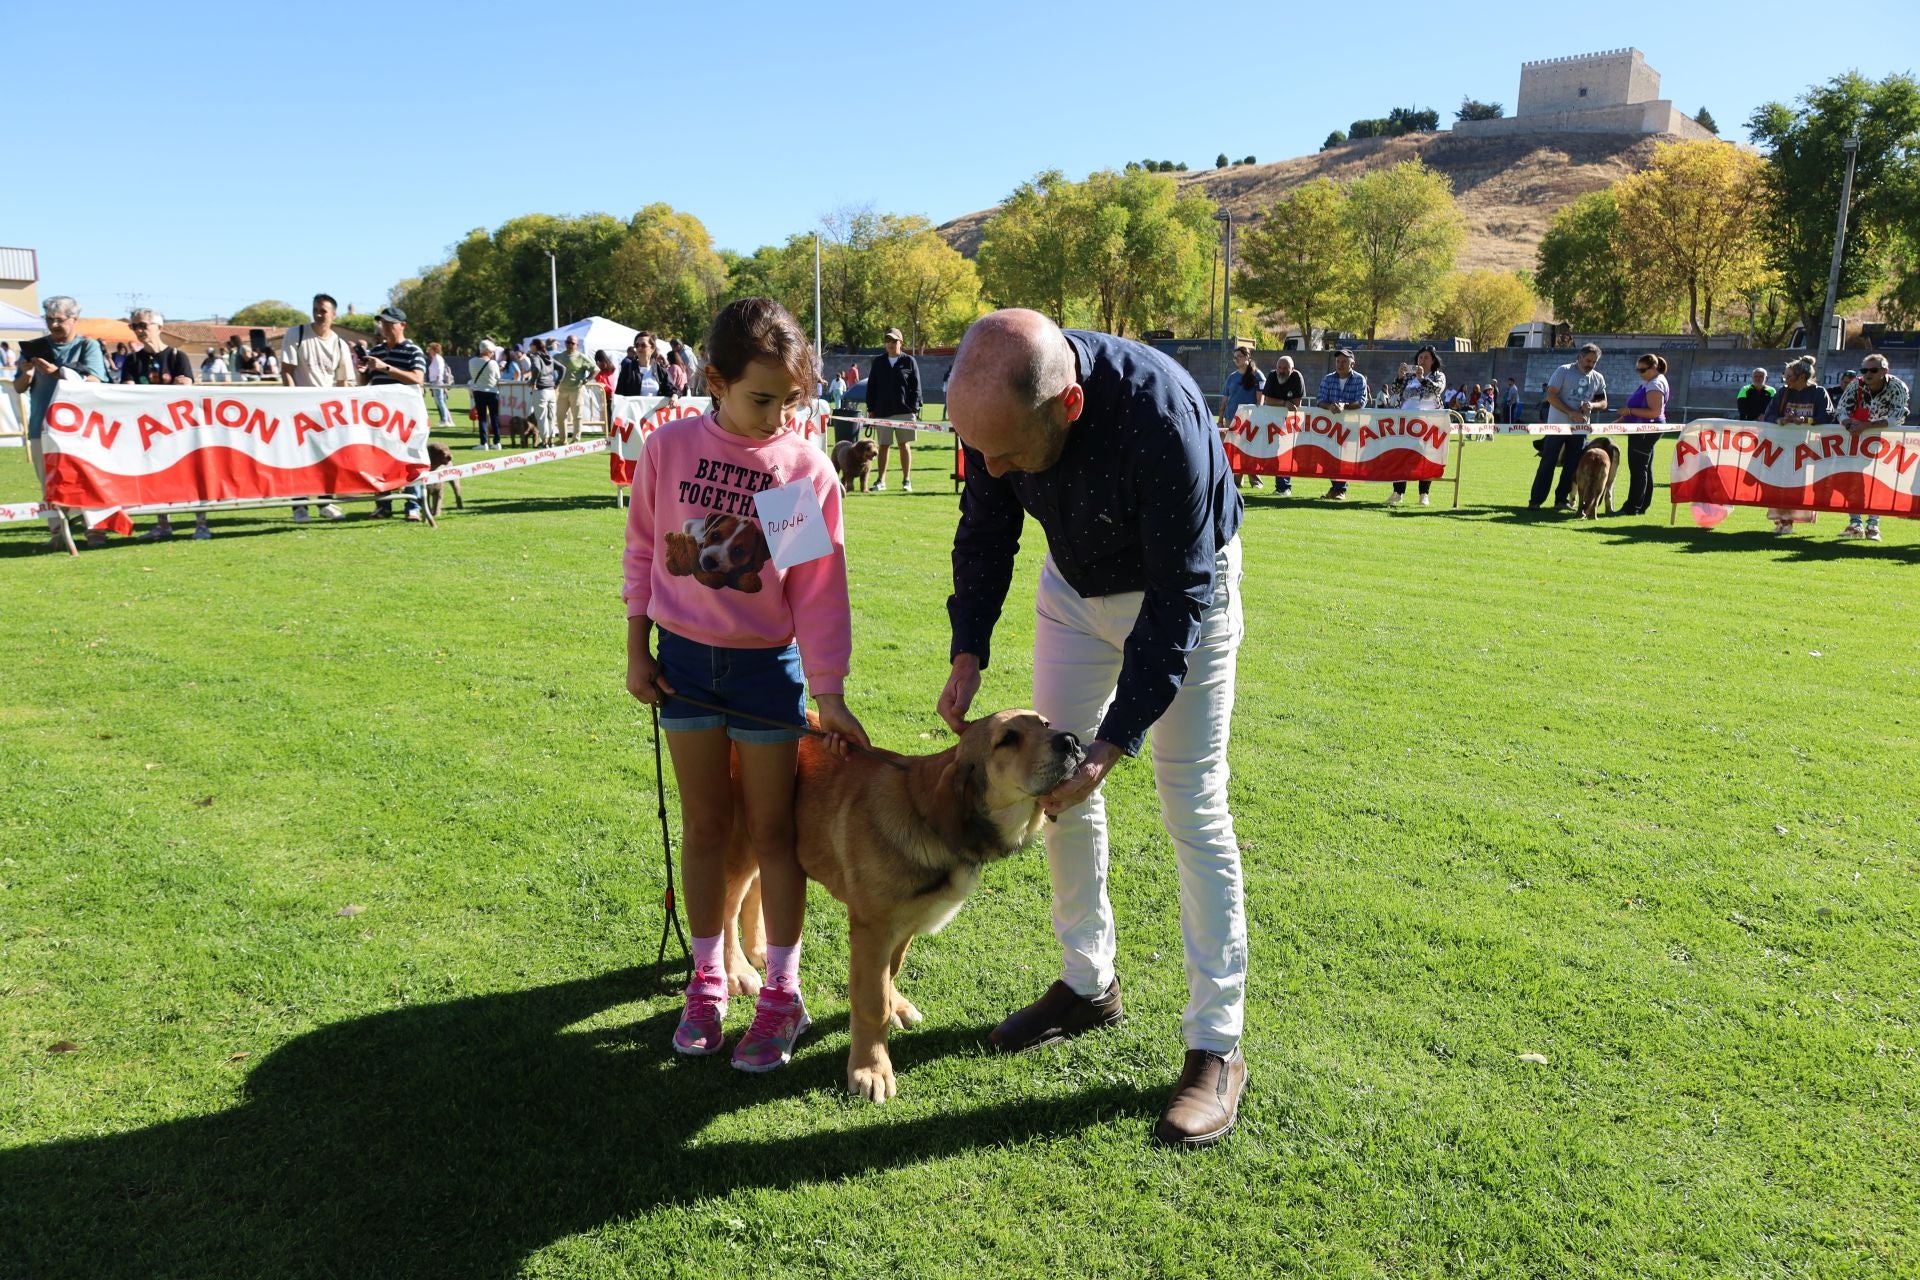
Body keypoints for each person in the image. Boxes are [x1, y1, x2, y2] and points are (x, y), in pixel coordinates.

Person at [941, 308, 1249, 1148]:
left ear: (1067, 406)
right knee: (1053, 788)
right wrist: (969, 645)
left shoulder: (1164, 418)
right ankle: (1088, 982)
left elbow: (1180, 595)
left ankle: (1216, 1045)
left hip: (1180, 595)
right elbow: (987, 526)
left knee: (1192, 804)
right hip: (1074, 591)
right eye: (980, 448)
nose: (992, 466)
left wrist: (1114, 745)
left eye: (1006, 451)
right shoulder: (997, 419)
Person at [623, 296, 869, 1072]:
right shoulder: (669, 449)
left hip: (767, 674)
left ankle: (782, 995)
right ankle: (705, 982)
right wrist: (638, 647)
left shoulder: (800, 468)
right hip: (685, 665)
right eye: (763, 398)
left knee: (772, 836)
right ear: (715, 380)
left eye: (791, 400)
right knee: (704, 828)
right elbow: (641, 554)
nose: (778, 417)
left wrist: (827, 693)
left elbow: (815, 590)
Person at [12, 296, 108, 550]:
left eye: (60, 320)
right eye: (49, 319)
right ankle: (58, 533)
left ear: (74, 320)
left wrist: (56, 373)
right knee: (49, 482)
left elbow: (95, 382)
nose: (54, 325)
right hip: (40, 426)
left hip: (79, 427)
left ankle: (94, 530)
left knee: (85, 477)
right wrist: (28, 373)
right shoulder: (34, 347)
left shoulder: (88, 346)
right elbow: (19, 387)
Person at [123, 309, 212, 542]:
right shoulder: (132, 360)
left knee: (192, 475)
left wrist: (187, 383)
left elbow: (188, 385)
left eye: (143, 325)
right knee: (156, 475)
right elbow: (126, 390)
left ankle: (201, 523)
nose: (139, 330)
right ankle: (163, 523)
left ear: (158, 327)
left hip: (180, 427)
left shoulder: (176, 356)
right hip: (149, 428)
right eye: (135, 326)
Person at [281, 293, 356, 523]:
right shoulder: (297, 334)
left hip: (327, 412)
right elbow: (287, 370)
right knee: (300, 459)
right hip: (299, 408)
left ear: (334, 314)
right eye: (315, 309)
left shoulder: (340, 344)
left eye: (323, 310)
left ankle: (326, 502)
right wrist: (294, 400)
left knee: (327, 458)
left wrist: (342, 413)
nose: (318, 314)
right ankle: (300, 507)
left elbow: (344, 381)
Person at [361, 306, 428, 521]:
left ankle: (413, 505)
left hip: (405, 419)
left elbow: (418, 379)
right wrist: (362, 371)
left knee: (409, 460)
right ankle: (383, 506)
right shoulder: (376, 352)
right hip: (379, 419)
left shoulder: (413, 350)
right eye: (383, 323)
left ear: (402, 325)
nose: (385, 327)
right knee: (379, 462)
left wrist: (386, 368)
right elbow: (365, 383)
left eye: (390, 323)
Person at [1834, 354, 1909, 542]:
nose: (1868, 374)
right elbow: (1841, 409)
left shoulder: (1897, 387)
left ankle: (1873, 525)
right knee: (1853, 481)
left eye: (1873, 370)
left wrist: (1866, 426)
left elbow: (1898, 417)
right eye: (1864, 370)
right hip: (1857, 438)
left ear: (1885, 371)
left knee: (1879, 482)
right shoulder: (1856, 384)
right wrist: (1849, 424)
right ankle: (1855, 524)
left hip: (1885, 441)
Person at [1761, 356, 1834, 535]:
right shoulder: (1782, 392)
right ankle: (1781, 520)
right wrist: (1781, 420)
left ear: (1802, 377)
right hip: (1782, 448)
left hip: (1808, 450)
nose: (1785, 380)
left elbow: (1827, 417)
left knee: (1798, 485)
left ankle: (1789, 521)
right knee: (1778, 484)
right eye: (1785, 376)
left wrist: (1806, 420)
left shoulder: (1818, 393)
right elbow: (1769, 415)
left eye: (1789, 376)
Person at [1532, 343, 1608, 511]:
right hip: (1557, 427)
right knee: (1548, 463)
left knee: (1573, 465)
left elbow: (1603, 402)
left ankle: (1561, 500)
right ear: (1579, 357)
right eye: (1588, 360)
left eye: (1594, 362)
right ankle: (1535, 501)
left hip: (1581, 430)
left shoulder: (1597, 378)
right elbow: (1550, 396)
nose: (1590, 364)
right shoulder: (1564, 371)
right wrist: (1571, 412)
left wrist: (1592, 406)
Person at [1612, 353, 1669, 516]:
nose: (1640, 373)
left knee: (1638, 468)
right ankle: (1642, 505)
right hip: (1642, 429)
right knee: (1644, 467)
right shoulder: (1649, 382)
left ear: (1653, 368)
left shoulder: (1655, 384)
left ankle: (1632, 507)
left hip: (1645, 430)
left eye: (1642, 370)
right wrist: (1619, 422)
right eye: (1638, 370)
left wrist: (1629, 411)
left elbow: (1654, 412)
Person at [867, 327, 921, 492]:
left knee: (904, 445)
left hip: (904, 411)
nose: (890, 344)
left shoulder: (909, 361)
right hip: (883, 412)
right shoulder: (878, 362)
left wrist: (914, 408)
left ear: (901, 343)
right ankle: (881, 480)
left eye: (894, 341)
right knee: (883, 445)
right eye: (888, 341)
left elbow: (916, 387)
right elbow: (872, 387)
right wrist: (871, 409)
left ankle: (906, 481)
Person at [1391, 347, 1446, 506]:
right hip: (1405, 424)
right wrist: (1400, 377)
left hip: (1428, 425)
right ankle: (1398, 492)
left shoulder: (1438, 376)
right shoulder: (1409, 377)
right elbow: (1395, 390)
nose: (1422, 360)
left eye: (1426, 358)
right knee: (1401, 456)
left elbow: (1437, 390)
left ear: (1433, 360)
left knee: (1425, 457)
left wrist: (1422, 378)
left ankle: (1424, 494)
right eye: (1420, 357)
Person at [1315, 348, 1367, 499]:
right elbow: (1320, 399)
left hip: (1351, 426)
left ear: (1353, 364)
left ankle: (1340, 490)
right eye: (1338, 361)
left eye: (1344, 361)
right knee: (1329, 458)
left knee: (1344, 457)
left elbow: (1361, 402)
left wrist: (1345, 406)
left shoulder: (1359, 379)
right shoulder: (1328, 378)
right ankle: (1336, 488)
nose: (1340, 364)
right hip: (1330, 427)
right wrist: (1329, 406)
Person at [1217, 345, 1264, 491]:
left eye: (1240, 356)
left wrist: (1256, 416)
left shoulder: (1257, 375)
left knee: (1250, 449)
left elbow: (1260, 401)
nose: (1237, 359)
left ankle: (1256, 481)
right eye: (1235, 357)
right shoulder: (1231, 377)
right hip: (1232, 418)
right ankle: (1237, 480)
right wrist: (1220, 419)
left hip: (1250, 419)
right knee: (1236, 450)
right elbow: (1225, 400)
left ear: (1247, 357)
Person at [1259, 355, 1304, 496]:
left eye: (1285, 368)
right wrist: (1284, 403)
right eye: (1279, 367)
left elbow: (1296, 404)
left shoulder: (1297, 378)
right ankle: (1279, 486)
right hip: (1271, 421)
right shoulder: (1272, 376)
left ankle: (1284, 487)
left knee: (1285, 453)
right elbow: (1267, 400)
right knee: (1272, 452)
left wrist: (1281, 403)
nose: (1282, 371)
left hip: (1290, 423)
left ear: (1292, 369)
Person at [525, 339, 564, 444]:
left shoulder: (535, 356)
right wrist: (557, 383)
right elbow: (562, 369)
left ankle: (544, 442)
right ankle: (551, 441)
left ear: (535, 346)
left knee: (542, 418)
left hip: (540, 390)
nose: (529, 347)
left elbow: (537, 369)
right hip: (551, 390)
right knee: (551, 418)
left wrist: (533, 381)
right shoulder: (549, 357)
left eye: (531, 345)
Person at [556, 334, 594, 445]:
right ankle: (563, 440)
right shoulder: (559, 356)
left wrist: (587, 379)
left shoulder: (581, 357)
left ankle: (576, 439)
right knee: (560, 416)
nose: (570, 345)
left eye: (572, 343)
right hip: (562, 390)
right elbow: (550, 365)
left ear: (576, 345)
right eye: (568, 342)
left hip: (576, 390)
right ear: (565, 343)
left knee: (577, 416)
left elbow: (595, 369)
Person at [469, 341, 502, 449]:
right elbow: (498, 378)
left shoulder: (472, 361)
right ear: (488, 351)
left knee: (482, 418)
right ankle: (497, 442)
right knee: (494, 417)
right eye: (492, 351)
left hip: (479, 392)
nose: (493, 353)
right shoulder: (493, 363)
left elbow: (473, 376)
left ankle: (484, 443)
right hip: (493, 392)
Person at [425, 342, 454, 427]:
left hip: (437, 382)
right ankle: (445, 420)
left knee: (440, 401)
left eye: (430, 348)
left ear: (434, 350)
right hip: (433, 382)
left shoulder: (438, 358)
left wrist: (437, 381)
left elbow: (440, 370)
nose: (428, 350)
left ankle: (445, 420)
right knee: (439, 402)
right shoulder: (434, 358)